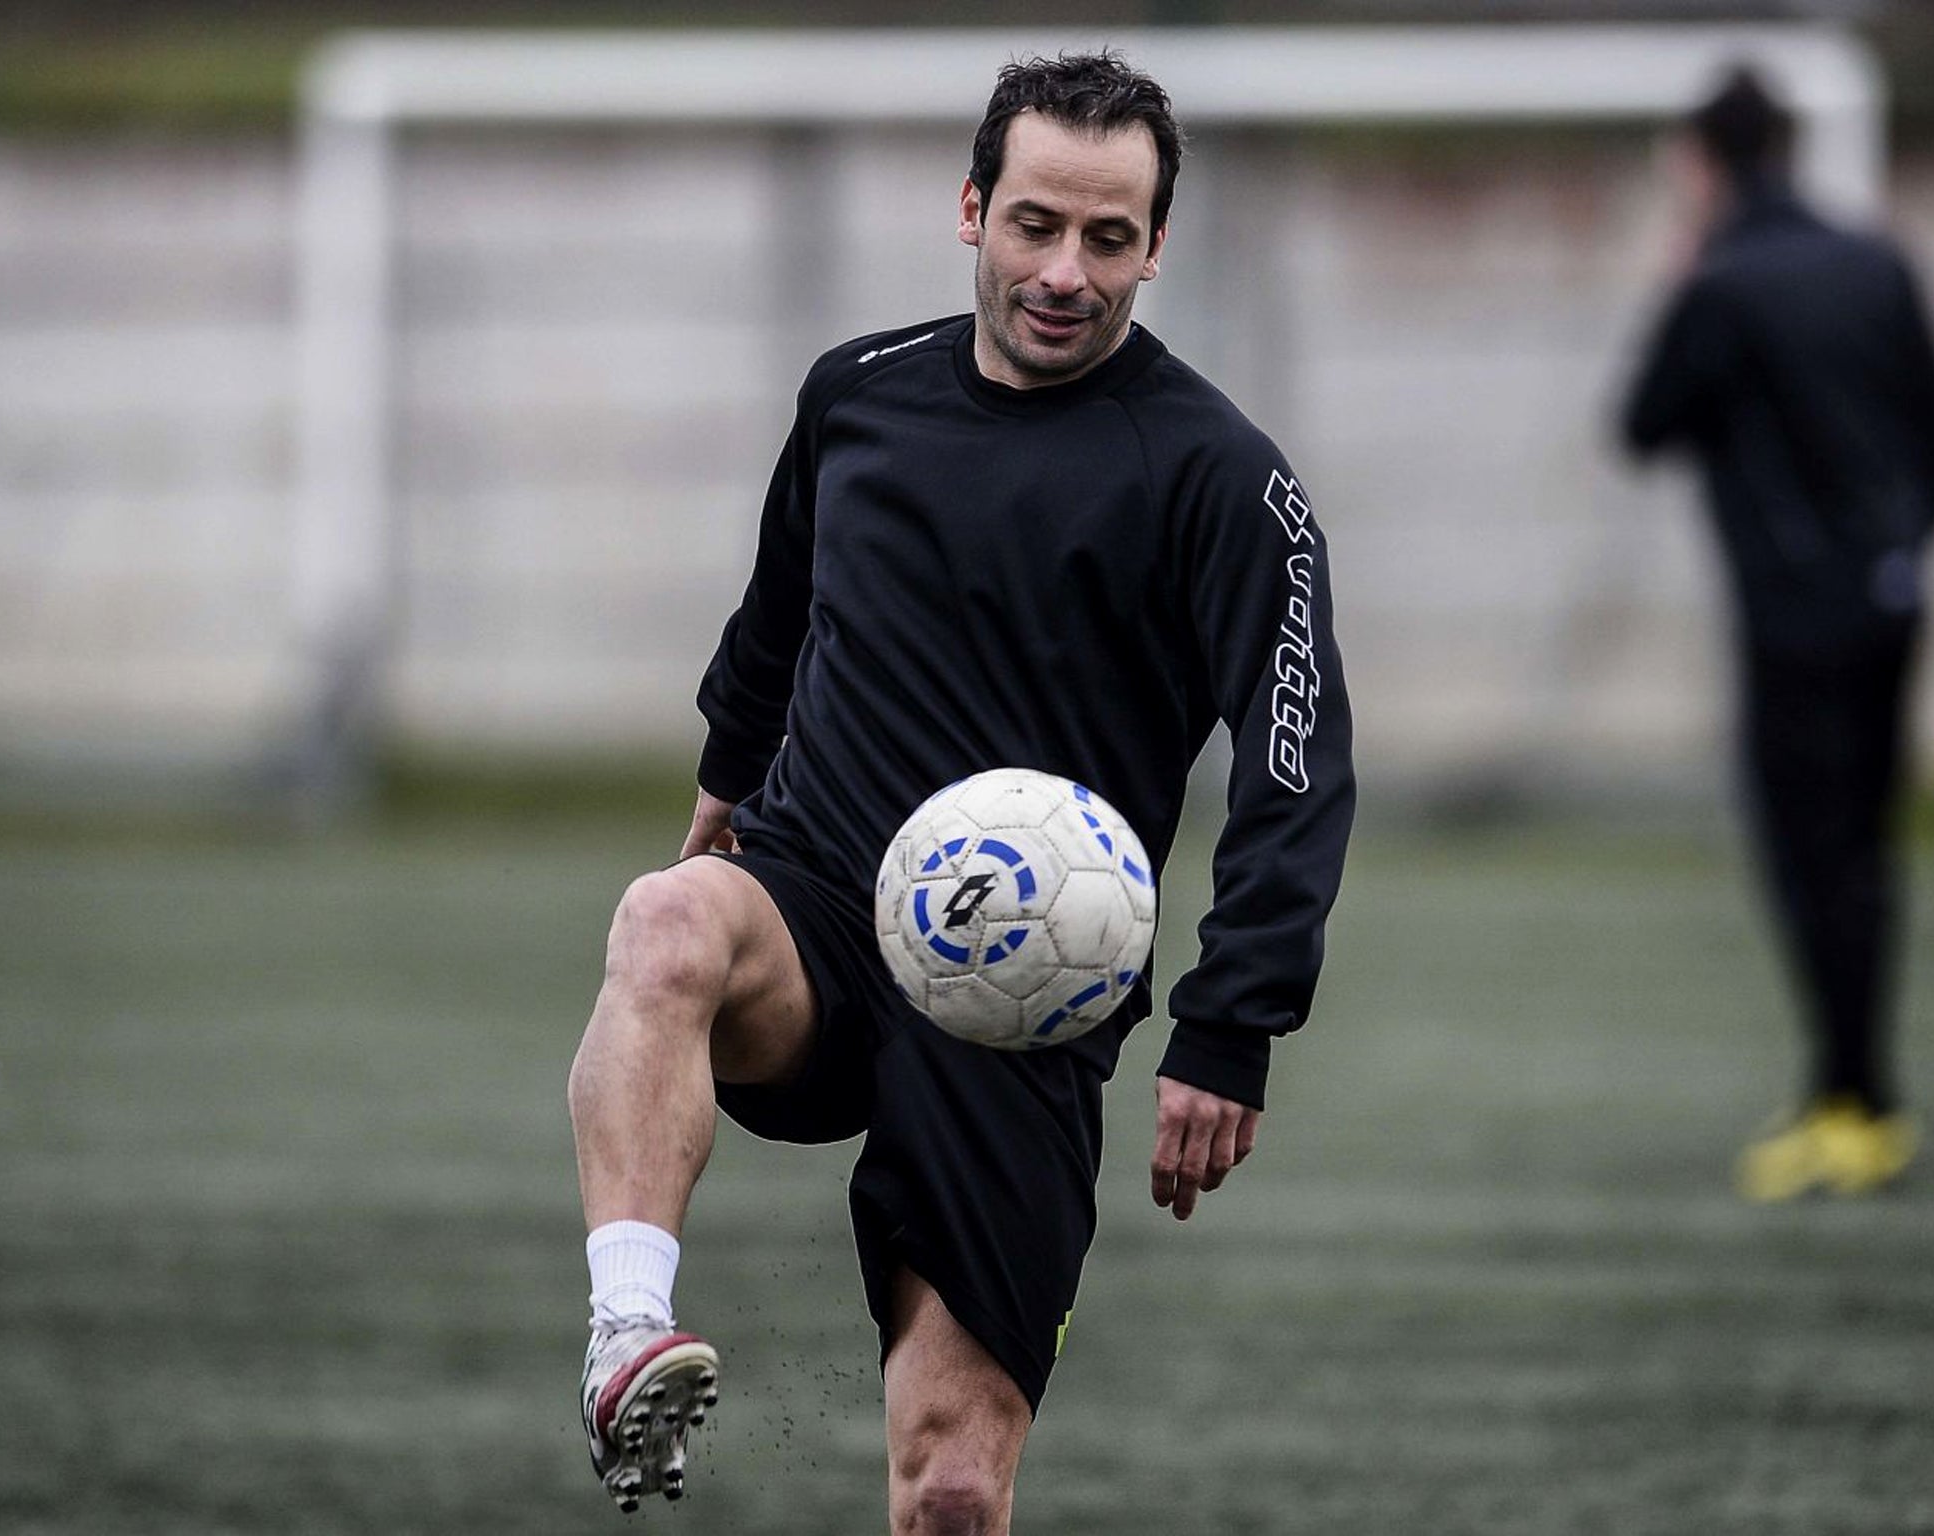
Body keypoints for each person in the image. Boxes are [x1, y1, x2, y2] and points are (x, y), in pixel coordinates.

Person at [566, 50, 1355, 1526]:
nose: (1068, 271)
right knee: (664, 926)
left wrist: (1231, 1022)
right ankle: (628, 1333)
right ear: (973, 211)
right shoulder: (857, 394)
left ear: (1156, 245)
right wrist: (724, 786)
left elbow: (1296, 757)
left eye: (1110, 239)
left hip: (1025, 1002)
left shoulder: (1220, 476)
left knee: (950, 1489)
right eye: (1038, 225)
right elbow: (776, 616)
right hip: (814, 908)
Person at [1618, 65, 1934, 1203]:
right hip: (1892, 598)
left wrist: (1676, 281)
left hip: (1791, 615)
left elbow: (1642, 422)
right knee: (1865, 851)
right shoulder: (1875, 259)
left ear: (1700, 161)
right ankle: (1854, 1093)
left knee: (1808, 854)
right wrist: (1901, 548)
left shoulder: (1723, 283)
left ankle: (1852, 1103)